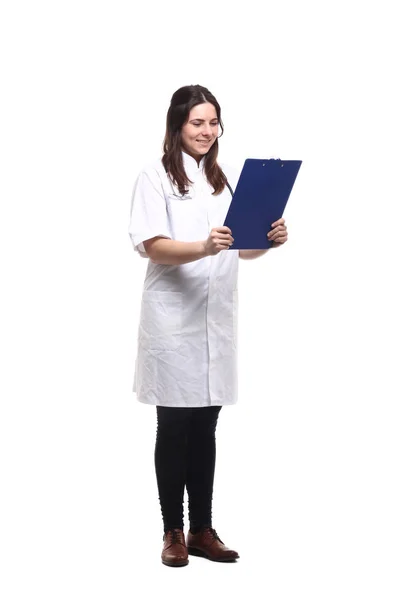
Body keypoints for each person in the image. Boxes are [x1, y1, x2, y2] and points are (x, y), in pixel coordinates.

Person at [128, 85, 288, 567]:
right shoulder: (155, 176)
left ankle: (203, 528)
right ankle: (172, 531)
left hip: (215, 319)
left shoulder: (221, 179)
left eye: (213, 122)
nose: (207, 131)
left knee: (206, 427)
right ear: (177, 125)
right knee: (174, 424)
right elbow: (152, 244)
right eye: (197, 122)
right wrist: (203, 247)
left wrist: (270, 239)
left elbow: (242, 245)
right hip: (173, 320)